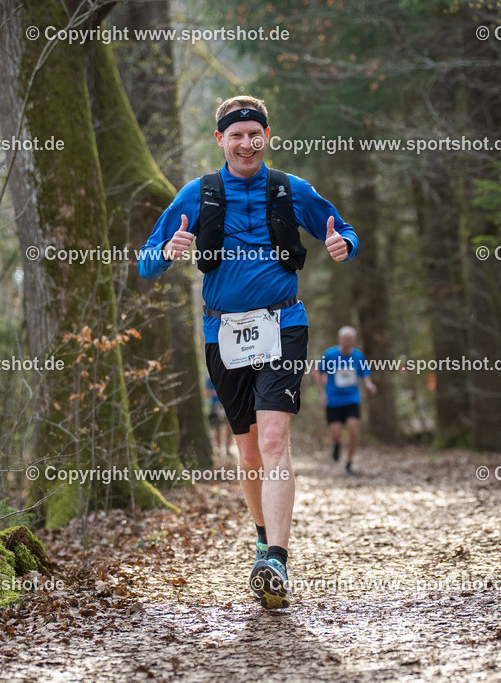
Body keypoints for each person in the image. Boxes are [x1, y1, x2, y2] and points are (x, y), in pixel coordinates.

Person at [138, 96, 358, 609]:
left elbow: (341, 228)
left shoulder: (290, 189)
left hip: (284, 324)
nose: (246, 142)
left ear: (266, 136)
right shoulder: (197, 194)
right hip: (223, 334)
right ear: (220, 140)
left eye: (254, 133)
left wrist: (345, 244)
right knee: (250, 450)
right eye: (235, 135)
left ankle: (276, 558)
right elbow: (147, 260)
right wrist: (166, 254)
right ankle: (262, 539)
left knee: (276, 436)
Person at [316, 326, 376, 475]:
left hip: (352, 399)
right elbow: (317, 372)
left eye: (350, 340)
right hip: (333, 400)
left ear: (354, 341)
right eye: (345, 339)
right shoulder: (330, 355)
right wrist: (322, 393)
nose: (347, 343)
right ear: (339, 340)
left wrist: (369, 384)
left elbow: (364, 374)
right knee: (335, 433)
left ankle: (349, 462)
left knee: (354, 430)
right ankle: (336, 444)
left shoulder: (358, 356)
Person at [203, 375, 229, 457]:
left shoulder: (225, 375)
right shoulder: (208, 378)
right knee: (217, 428)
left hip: (226, 406)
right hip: (214, 406)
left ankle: (227, 449)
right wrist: (215, 393)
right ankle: (218, 450)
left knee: (229, 427)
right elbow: (205, 392)